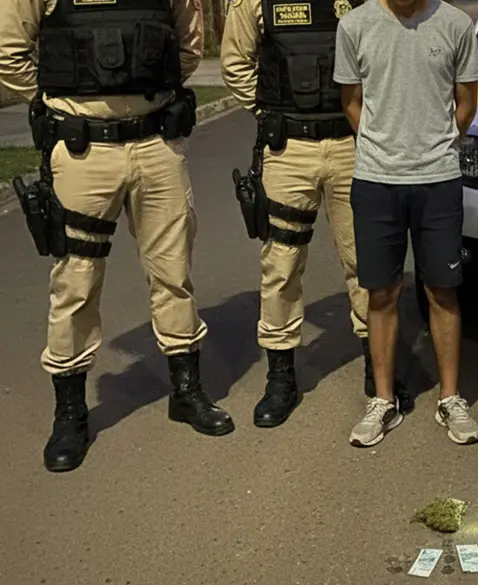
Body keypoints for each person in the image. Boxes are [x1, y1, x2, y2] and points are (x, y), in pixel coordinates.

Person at [0, 0, 234, 473]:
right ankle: (70, 413)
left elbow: (189, 46)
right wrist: (62, 91)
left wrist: (149, 84)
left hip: (156, 145)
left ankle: (186, 391)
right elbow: (8, 52)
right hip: (82, 149)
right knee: (76, 281)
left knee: (173, 273)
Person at [220, 0, 409, 428]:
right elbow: (235, 62)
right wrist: (268, 110)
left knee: (366, 261)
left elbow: (386, 53)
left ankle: (378, 368)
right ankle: (281, 378)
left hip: (352, 146)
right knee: (281, 265)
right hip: (288, 149)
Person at [334, 0, 478, 447]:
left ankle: (450, 398)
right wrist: (386, 148)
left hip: (438, 180)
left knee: (442, 291)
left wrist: (432, 148)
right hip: (376, 181)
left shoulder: (455, 24)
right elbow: (352, 103)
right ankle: (383, 401)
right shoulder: (355, 25)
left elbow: (466, 103)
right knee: (381, 293)